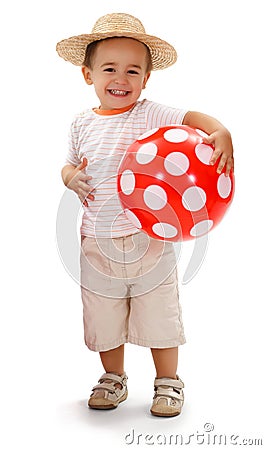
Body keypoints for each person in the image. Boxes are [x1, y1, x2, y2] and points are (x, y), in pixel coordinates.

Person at [56, 12, 234, 417]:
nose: (121, 79)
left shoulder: (148, 113)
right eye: (109, 69)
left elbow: (191, 119)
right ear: (88, 75)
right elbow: (67, 165)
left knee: (159, 312)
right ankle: (114, 378)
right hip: (95, 240)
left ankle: (168, 382)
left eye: (133, 71)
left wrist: (220, 130)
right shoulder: (81, 123)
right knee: (104, 316)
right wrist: (70, 178)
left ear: (146, 80)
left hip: (148, 238)